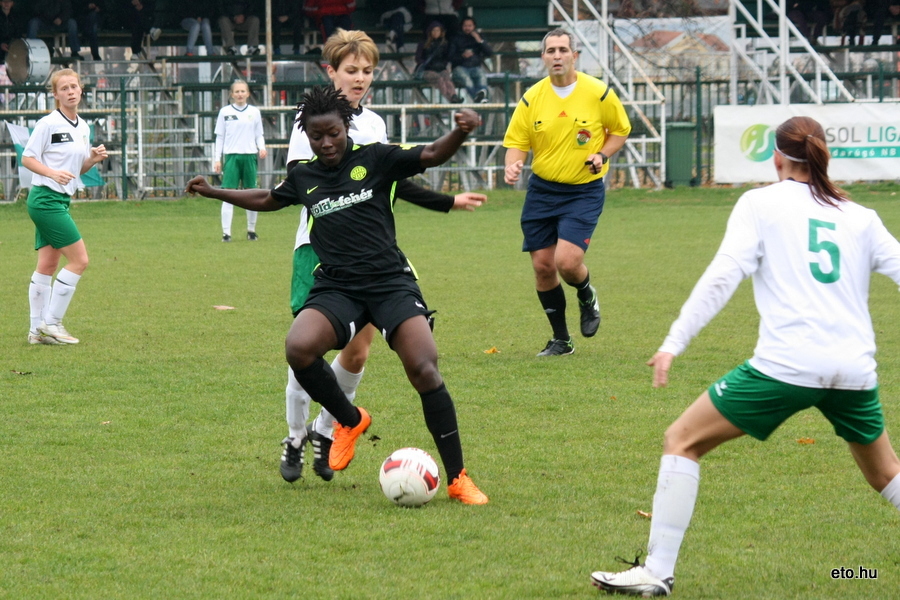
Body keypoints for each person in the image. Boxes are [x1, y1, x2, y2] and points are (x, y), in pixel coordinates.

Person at [590, 116, 900, 597]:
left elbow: (722, 276)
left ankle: (657, 570)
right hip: (854, 370)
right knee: (886, 474)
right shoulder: (860, 216)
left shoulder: (759, 203)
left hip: (788, 366)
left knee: (681, 440)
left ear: (776, 159)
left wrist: (674, 341)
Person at [185, 85, 489, 505]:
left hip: (389, 282)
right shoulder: (305, 176)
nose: (326, 143)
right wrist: (215, 191)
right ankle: (349, 420)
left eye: (333, 133)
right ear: (306, 136)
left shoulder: (377, 158)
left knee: (424, 368)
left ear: (346, 127)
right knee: (299, 347)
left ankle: (457, 478)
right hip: (338, 285)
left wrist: (462, 131)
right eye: (316, 136)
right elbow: (268, 198)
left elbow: (433, 154)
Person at [281, 28, 486, 484]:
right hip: (319, 250)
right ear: (331, 72)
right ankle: (294, 436)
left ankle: (328, 428)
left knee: (359, 350)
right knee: (307, 346)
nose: (359, 78)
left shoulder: (373, 124)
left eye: (367, 71)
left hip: (372, 256)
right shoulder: (309, 121)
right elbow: (306, 186)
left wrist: (445, 202)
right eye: (350, 70)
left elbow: (389, 180)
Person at [503, 28, 631, 356]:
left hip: (583, 191)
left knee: (567, 262)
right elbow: (517, 142)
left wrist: (601, 155)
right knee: (543, 267)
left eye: (563, 50)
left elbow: (620, 131)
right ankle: (562, 340)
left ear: (575, 56)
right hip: (542, 191)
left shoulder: (598, 93)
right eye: (551, 51)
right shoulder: (532, 98)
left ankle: (586, 294)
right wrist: (513, 165)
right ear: (543, 57)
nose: (557, 56)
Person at [22, 68, 108, 346]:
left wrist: (91, 160)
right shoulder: (48, 124)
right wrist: (51, 173)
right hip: (45, 200)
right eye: (64, 88)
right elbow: (27, 158)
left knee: (48, 264)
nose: (70, 92)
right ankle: (52, 323)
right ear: (56, 95)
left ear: (81, 89)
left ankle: (36, 331)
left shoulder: (83, 127)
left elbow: (74, 170)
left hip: (59, 200)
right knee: (80, 261)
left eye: (74, 86)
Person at [213, 80, 267, 242]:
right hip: (232, 157)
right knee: (228, 194)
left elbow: (259, 134)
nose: (240, 94)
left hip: (249, 156)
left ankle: (251, 230)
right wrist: (217, 159)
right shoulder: (225, 112)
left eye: (243, 91)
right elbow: (220, 137)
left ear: (248, 93)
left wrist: (261, 147)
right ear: (232, 94)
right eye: (237, 91)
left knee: (251, 194)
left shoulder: (254, 112)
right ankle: (226, 233)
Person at [415, 21, 463, 104]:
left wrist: (442, 64)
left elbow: (446, 57)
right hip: (427, 70)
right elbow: (418, 58)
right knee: (439, 79)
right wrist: (427, 63)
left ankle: (454, 95)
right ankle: (450, 99)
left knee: (447, 79)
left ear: (441, 32)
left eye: (437, 30)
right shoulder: (423, 43)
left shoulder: (444, 44)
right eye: (433, 30)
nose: (435, 32)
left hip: (441, 68)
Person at [449, 16, 492, 103]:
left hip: (475, 66)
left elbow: (489, 53)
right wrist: (462, 56)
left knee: (482, 77)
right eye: (465, 26)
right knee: (467, 80)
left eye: (470, 26)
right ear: (462, 26)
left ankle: (481, 95)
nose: (467, 28)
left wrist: (479, 40)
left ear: (474, 26)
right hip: (460, 67)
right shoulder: (456, 38)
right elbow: (450, 56)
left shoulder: (479, 37)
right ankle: (478, 99)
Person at [0, 0, 25, 65]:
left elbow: (18, 33)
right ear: (0, 3)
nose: (6, 3)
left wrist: (13, 44)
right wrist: (1, 44)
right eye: (4, 1)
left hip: (12, 46)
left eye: (9, 1)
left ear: (12, 3)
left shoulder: (16, 16)